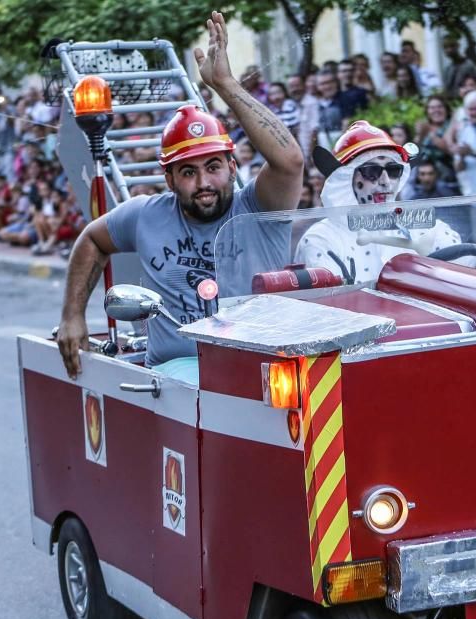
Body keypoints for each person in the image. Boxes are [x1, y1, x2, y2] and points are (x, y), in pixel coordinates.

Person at [56, 12, 304, 378]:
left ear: (232, 168)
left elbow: (291, 161)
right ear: (169, 178)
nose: (203, 181)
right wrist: (72, 315)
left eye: (214, 166)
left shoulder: (259, 208)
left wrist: (225, 84)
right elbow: (92, 239)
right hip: (175, 374)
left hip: (259, 368)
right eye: (188, 171)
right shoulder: (145, 214)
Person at [294, 121, 476, 282]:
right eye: (372, 171)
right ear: (345, 178)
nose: (385, 181)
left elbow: (462, 269)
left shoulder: (418, 224)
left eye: (393, 170)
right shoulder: (321, 237)